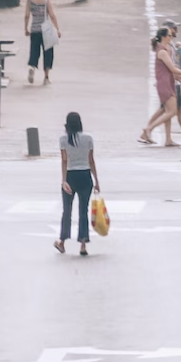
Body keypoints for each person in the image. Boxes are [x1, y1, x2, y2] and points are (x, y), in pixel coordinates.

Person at [139, 29, 181, 146]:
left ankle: (168, 140)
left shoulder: (166, 50)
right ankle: (149, 129)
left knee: (167, 111)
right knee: (172, 111)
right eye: (170, 36)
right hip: (164, 84)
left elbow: (172, 71)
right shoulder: (162, 51)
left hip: (168, 82)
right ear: (164, 37)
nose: (171, 38)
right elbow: (172, 68)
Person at [56, 110, 100, 257]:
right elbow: (91, 160)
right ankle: (82, 244)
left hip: (70, 176)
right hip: (85, 175)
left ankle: (62, 242)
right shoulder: (88, 138)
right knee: (83, 210)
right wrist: (96, 181)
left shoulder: (63, 139)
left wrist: (63, 181)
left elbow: (64, 160)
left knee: (67, 211)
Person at [24, 0, 60, 86]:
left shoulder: (29, 0)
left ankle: (32, 68)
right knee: (48, 53)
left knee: (34, 51)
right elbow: (52, 15)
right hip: (46, 30)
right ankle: (46, 77)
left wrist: (26, 28)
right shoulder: (46, 0)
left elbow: (26, 15)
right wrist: (57, 29)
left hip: (35, 29)